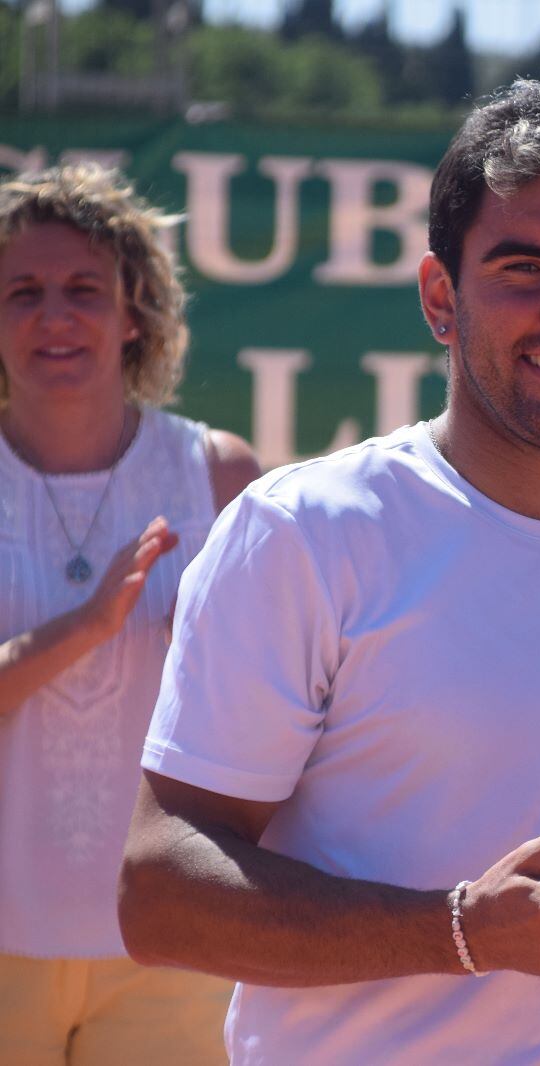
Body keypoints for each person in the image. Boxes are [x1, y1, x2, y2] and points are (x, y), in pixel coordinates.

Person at [116, 78, 540, 1065]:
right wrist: (457, 931)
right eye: (525, 267)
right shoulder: (303, 530)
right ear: (442, 297)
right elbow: (161, 893)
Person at [0, 163, 259, 1063]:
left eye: (83, 289)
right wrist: (86, 626)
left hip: (171, 935)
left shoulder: (221, 476)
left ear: (134, 312)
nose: (54, 316)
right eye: (22, 291)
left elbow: (285, 714)